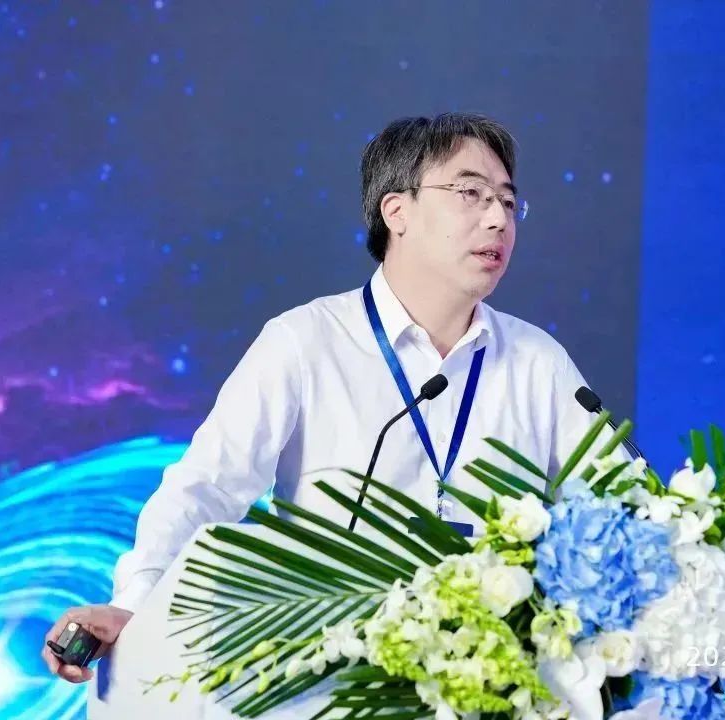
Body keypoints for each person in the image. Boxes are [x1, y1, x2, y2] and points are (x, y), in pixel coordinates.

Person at [42, 112, 624, 683]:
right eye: (470, 193)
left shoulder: (538, 360)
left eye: (507, 201)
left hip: (498, 678)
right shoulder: (304, 342)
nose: (497, 219)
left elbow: (616, 501)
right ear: (396, 211)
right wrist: (136, 606)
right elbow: (204, 490)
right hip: (336, 678)